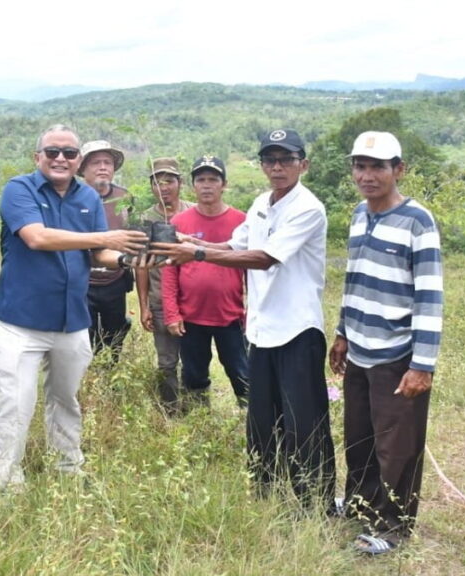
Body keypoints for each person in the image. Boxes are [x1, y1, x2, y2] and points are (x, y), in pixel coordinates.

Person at [154, 130, 336, 507]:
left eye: (286, 159)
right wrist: (190, 244)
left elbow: (264, 257)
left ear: (303, 163)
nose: (277, 167)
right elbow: (235, 245)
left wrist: (198, 256)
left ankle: (313, 500)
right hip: (262, 330)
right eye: (270, 160)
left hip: (298, 330)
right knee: (261, 421)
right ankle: (266, 492)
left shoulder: (308, 208)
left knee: (303, 421)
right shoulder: (260, 203)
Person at [0, 124, 153, 492]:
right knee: (16, 402)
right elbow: (37, 237)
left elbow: (99, 254)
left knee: (66, 399)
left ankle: (68, 468)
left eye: (68, 153)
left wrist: (130, 261)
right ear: (38, 157)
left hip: (72, 320)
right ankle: (5, 482)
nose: (60, 158)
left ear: (78, 160)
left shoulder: (88, 198)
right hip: (23, 320)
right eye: (52, 152)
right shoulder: (20, 189)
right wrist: (104, 237)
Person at [328, 131, 444, 555]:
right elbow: (354, 278)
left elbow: (430, 295)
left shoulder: (418, 221)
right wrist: (342, 332)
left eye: (378, 166)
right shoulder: (360, 214)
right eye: (360, 166)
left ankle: (392, 527)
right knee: (359, 436)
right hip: (359, 346)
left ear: (399, 170)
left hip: (397, 354)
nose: (367, 175)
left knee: (397, 445)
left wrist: (423, 363)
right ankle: (359, 503)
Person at [160, 156, 249, 409]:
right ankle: (200, 424)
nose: (207, 185)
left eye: (213, 179)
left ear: (224, 184)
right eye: (201, 180)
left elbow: (253, 268)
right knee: (194, 376)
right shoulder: (179, 223)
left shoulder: (242, 221)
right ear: (192, 186)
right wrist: (172, 313)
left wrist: (252, 310)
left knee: (242, 373)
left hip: (231, 316)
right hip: (191, 317)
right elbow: (169, 271)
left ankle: (251, 423)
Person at [136, 157, 194, 413]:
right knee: (167, 362)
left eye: (169, 180)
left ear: (179, 183)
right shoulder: (144, 219)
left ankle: (196, 410)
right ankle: (170, 412)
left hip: (194, 300)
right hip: (160, 301)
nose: (164, 187)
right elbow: (141, 265)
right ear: (151, 186)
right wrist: (144, 305)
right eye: (158, 182)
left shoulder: (193, 212)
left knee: (195, 360)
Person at [79, 140, 133, 364]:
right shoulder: (72, 197)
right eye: (96, 162)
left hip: (115, 279)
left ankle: (111, 373)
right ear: (82, 168)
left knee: (115, 331)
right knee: (85, 335)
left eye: (107, 162)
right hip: (83, 281)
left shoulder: (125, 197)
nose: (103, 167)